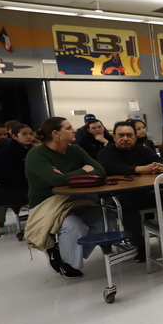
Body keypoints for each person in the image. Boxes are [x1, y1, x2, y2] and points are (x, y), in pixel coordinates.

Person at [24, 117, 108, 278]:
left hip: (76, 199)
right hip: (47, 202)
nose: (74, 130)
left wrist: (68, 176)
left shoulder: (76, 150)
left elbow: (101, 171)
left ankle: (63, 253)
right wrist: (84, 170)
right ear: (56, 134)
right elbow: (57, 181)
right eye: (69, 128)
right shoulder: (36, 155)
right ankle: (67, 262)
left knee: (105, 222)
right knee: (75, 227)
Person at [99, 122, 163, 261]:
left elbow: (158, 159)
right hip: (119, 196)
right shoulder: (105, 152)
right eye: (121, 135)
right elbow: (109, 168)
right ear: (114, 137)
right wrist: (141, 169)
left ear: (135, 138)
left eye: (129, 135)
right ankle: (140, 246)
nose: (125, 138)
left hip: (145, 193)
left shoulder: (142, 149)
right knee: (126, 205)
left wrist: (161, 166)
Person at [0, 122, 35, 235]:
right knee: (43, 194)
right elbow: (12, 178)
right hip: (4, 191)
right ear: (14, 136)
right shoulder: (9, 152)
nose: (29, 136)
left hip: (16, 186)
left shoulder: (27, 149)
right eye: (24, 134)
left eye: (31, 133)